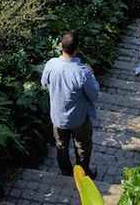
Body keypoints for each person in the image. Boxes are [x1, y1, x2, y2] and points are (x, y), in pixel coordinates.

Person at [41, 31, 99, 178]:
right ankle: (83, 173)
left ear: (61, 46)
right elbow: (94, 94)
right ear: (77, 48)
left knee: (61, 146)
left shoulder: (51, 64)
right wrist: (91, 74)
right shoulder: (83, 72)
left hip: (58, 117)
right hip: (78, 119)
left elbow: (44, 83)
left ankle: (65, 171)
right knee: (82, 147)